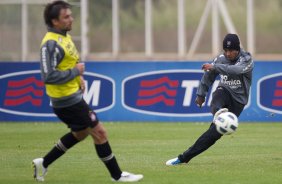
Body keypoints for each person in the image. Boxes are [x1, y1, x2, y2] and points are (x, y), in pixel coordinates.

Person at [32, 1, 143, 182]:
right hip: (66, 101)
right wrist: (76, 72)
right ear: (54, 22)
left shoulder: (65, 38)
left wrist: (78, 78)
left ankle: (43, 163)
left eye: (70, 15)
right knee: (100, 133)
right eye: (66, 17)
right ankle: (117, 175)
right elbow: (48, 76)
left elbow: (67, 64)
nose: (71, 19)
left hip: (72, 96)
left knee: (81, 133)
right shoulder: (50, 44)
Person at [166, 33, 254, 165]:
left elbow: (236, 70)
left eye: (231, 51)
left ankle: (184, 157)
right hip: (224, 91)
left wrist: (215, 67)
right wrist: (201, 94)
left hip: (238, 102)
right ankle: (218, 113)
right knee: (219, 92)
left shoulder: (246, 59)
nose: (228, 54)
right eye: (226, 50)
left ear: (238, 49)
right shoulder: (220, 59)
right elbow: (208, 76)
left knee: (213, 135)